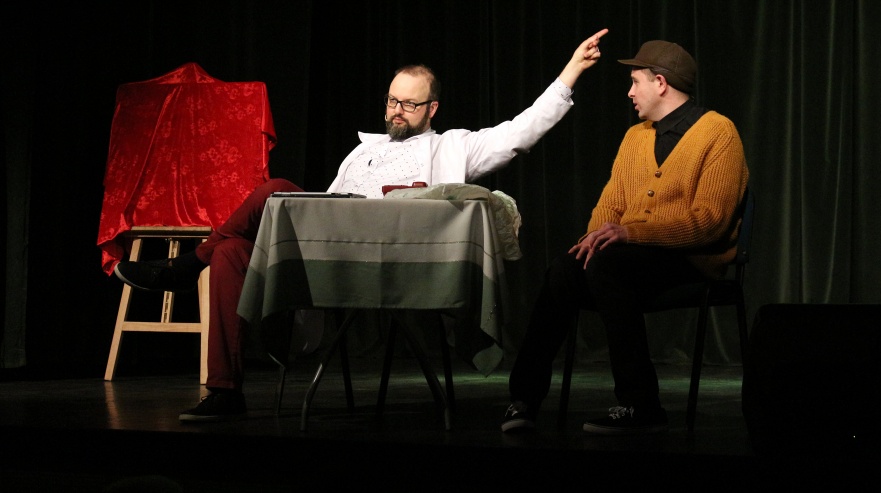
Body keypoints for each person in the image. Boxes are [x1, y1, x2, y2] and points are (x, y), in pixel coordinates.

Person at [114, 28, 609, 422]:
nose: (397, 111)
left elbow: (521, 131)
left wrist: (570, 71)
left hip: (396, 261)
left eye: (409, 104)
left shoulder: (453, 147)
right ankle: (225, 392)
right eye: (392, 101)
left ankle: (186, 267)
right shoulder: (363, 151)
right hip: (329, 255)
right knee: (231, 251)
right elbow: (330, 204)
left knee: (274, 188)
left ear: (432, 108)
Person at [501, 39, 749, 435]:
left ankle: (641, 405)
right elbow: (611, 206)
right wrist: (592, 240)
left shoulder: (719, 133)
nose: (630, 92)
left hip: (689, 260)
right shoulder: (636, 137)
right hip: (629, 258)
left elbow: (710, 222)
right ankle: (524, 399)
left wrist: (630, 233)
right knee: (565, 268)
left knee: (607, 264)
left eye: (636, 82)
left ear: (661, 83)